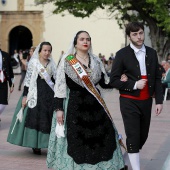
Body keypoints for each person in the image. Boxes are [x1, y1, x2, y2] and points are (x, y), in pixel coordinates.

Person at [46, 31, 127, 170]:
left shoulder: (96, 60)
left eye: (88, 39)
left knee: (102, 138)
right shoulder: (67, 60)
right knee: (77, 140)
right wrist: (59, 109)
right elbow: (59, 85)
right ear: (75, 43)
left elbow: (103, 82)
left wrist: (119, 81)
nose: (85, 42)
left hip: (95, 106)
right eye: (82, 39)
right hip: (75, 106)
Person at [110, 22, 163, 170]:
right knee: (133, 135)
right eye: (134, 34)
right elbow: (113, 80)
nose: (139, 37)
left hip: (146, 101)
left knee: (142, 136)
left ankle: (125, 155)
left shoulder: (152, 53)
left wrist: (159, 101)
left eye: (140, 33)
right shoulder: (121, 54)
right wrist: (134, 84)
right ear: (129, 36)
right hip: (129, 101)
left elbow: (158, 78)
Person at [7, 42, 57, 155]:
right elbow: (28, 81)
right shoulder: (34, 63)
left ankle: (46, 143)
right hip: (35, 94)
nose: (47, 53)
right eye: (45, 50)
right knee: (35, 118)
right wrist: (25, 96)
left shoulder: (52, 64)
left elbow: (55, 80)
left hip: (49, 95)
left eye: (49, 51)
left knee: (48, 118)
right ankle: (35, 144)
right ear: (39, 51)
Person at [0, 44, 14, 124]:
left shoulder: (5, 55)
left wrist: (11, 84)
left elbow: (10, 70)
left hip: (3, 81)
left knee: (3, 102)